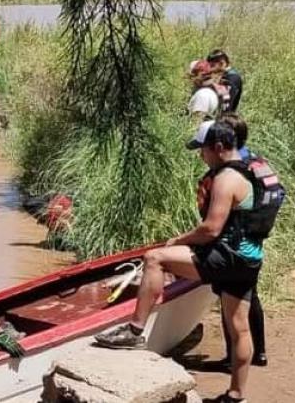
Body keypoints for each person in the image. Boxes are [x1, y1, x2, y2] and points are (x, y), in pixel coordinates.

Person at [94, 120, 283, 403]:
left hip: (226, 255)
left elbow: (211, 229)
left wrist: (178, 241)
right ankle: (235, 395)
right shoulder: (252, 169)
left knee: (155, 258)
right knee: (239, 327)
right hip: (250, 258)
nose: (200, 156)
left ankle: (134, 331)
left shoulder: (226, 178)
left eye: (203, 150)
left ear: (218, 148)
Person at [218, 113, 271, 367]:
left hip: (234, 240)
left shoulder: (235, 167)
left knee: (230, 301)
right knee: (251, 296)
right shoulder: (258, 162)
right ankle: (259, 352)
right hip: (254, 237)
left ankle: (232, 357)